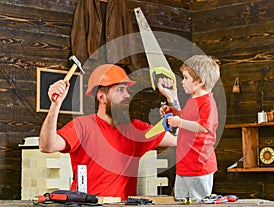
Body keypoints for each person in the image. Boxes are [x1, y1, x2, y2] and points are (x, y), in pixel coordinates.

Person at [39, 64, 177, 201]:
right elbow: (47, 146)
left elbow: (179, 139)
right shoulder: (83, 126)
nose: (127, 95)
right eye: (120, 90)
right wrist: (55, 105)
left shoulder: (136, 130)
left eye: (127, 90)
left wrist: (172, 99)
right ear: (101, 97)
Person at [158, 54, 220, 201]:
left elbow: (204, 127)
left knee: (198, 202)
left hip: (199, 166)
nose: (182, 82)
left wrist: (179, 122)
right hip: (184, 164)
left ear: (200, 81)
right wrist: (172, 112)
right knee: (180, 200)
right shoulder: (193, 100)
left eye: (185, 78)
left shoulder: (207, 103)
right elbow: (187, 120)